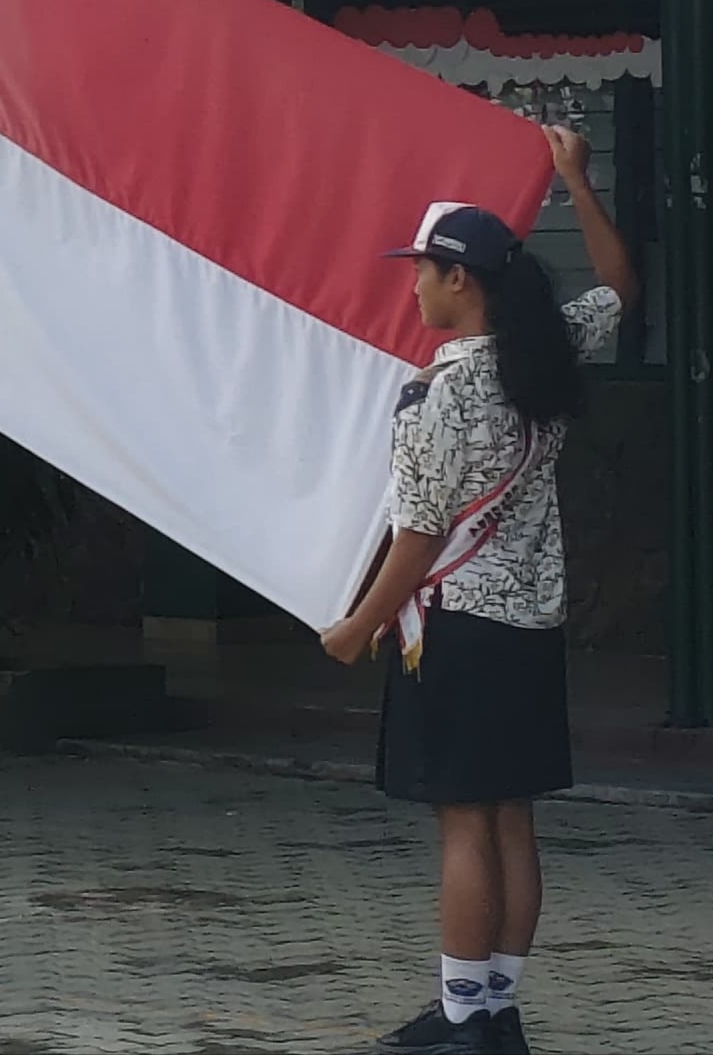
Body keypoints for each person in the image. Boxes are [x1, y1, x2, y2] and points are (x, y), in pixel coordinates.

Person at [320, 125, 638, 1055]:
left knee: (464, 823)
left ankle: (464, 1020)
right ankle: (494, 1009)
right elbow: (620, 288)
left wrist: (356, 627)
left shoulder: (437, 395)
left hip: (455, 626)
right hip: (530, 623)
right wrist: (577, 182)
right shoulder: (546, 353)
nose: (413, 287)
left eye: (421, 271)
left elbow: (417, 536)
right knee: (510, 818)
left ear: (459, 279)